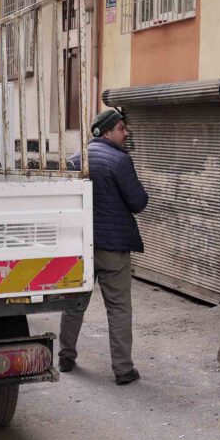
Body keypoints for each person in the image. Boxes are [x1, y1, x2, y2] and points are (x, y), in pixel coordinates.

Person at [61, 109, 146, 384]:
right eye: (122, 128)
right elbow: (138, 202)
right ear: (106, 132)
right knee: (119, 308)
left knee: (74, 304)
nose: (126, 133)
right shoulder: (120, 161)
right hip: (113, 249)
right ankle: (123, 369)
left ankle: (65, 357)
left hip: (81, 247)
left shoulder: (76, 160)